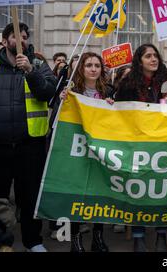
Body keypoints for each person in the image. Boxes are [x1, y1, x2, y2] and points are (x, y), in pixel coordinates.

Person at [0, 22, 57, 252]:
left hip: (30, 145)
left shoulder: (38, 65)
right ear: (4, 41)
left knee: (29, 197)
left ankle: (33, 242)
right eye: (17, 36)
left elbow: (50, 93)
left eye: (26, 36)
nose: (22, 40)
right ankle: (0, 241)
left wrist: (30, 71)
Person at [115, 44, 167, 252]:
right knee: (138, 189)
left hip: (164, 144)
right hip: (138, 144)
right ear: (139, 60)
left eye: (155, 55)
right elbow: (119, 111)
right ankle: (139, 236)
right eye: (148, 56)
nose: (153, 59)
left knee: (163, 190)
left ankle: (161, 235)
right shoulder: (128, 84)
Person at [59, 52, 112, 252]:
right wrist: (62, 102)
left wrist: (111, 107)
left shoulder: (108, 91)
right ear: (81, 68)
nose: (93, 69)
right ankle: (76, 240)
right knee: (76, 194)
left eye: (97, 65)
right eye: (89, 65)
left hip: (99, 150)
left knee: (99, 194)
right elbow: (58, 120)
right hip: (76, 149)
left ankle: (98, 238)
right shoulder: (71, 91)